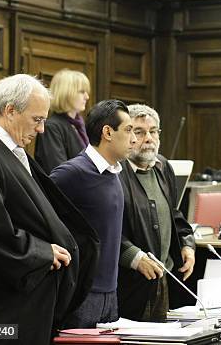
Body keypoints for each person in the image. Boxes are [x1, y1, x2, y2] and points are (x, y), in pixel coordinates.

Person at [0, 74, 99, 344]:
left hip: (21, 306)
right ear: (10, 111)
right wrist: (42, 251)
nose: (42, 129)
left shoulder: (11, 154)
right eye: (37, 119)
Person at [50, 99, 136, 328]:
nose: (134, 139)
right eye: (128, 130)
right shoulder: (72, 173)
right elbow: (40, 219)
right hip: (82, 295)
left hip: (111, 292)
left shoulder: (114, 172)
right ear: (107, 132)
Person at [118, 104, 195, 321]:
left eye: (153, 131)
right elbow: (107, 229)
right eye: (140, 132)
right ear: (127, 135)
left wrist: (187, 244)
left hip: (162, 280)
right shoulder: (115, 171)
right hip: (128, 282)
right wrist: (133, 257)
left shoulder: (163, 166)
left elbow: (173, 214)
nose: (148, 138)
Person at [35, 69, 91, 174]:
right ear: (66, 93)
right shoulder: (52, 127)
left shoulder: (79, 125)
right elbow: (58, 171)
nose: (87, 97)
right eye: (82, 92)